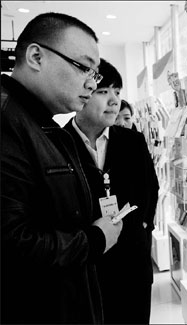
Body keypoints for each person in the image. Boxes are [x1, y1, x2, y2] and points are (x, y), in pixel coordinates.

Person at [1, 13, 123, 324]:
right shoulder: (8, 121)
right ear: (36, 56)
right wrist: (95, 240)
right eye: (83, 67)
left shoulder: (43, 126)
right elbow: (14, 244)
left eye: (94, 75)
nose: (89, 82)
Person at [64, 59, 159, 324]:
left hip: (133, 263)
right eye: (103, 91)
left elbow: (150, 188)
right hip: (87, 267)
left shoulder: (132, 141)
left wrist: (142, 228)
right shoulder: (58, 143)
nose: (114, 100)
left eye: (117, 92)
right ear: (82, 92)